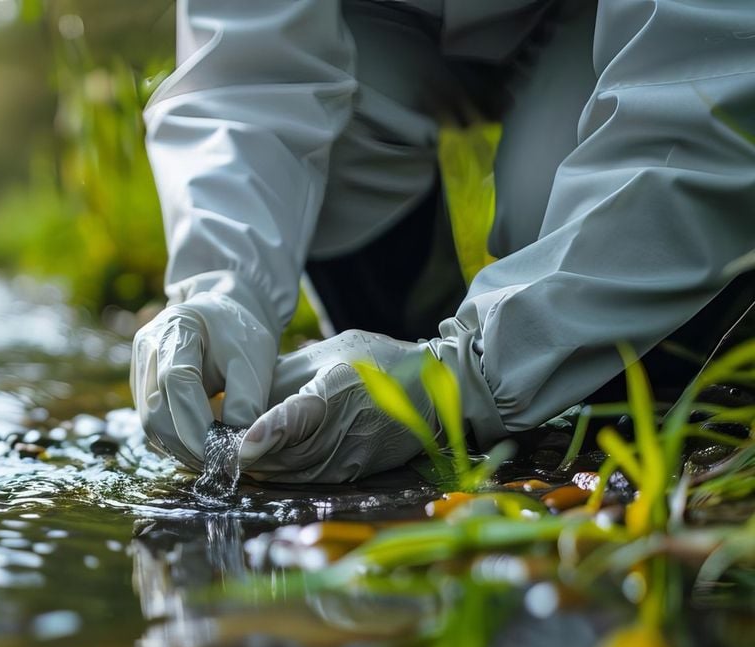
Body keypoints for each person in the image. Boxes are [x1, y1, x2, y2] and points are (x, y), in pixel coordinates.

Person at [131, 0, 755, 483]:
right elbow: (246, 75)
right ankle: (397, 362)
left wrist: (476, 374)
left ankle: (643, 390)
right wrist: (224, 284)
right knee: (333, 141)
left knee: (551, 209)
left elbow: (708, 82)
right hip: (387, 29)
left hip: (617, 28)